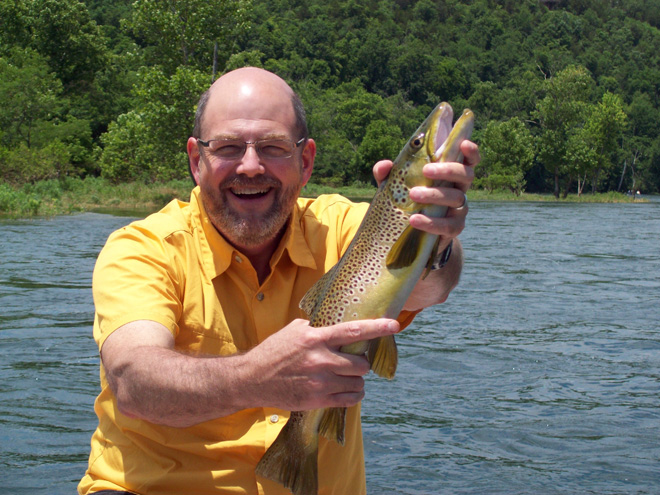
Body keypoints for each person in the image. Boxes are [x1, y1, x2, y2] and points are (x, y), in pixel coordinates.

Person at [79, 67, 480, 495]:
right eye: (229, 147)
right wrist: (256, 376)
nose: (250, 167)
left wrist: (435, 244)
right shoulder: (143, 248)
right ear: (197, 161)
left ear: (305, 162)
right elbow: (134, 382)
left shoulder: (347, 228)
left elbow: (432, 287)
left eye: (272, 147)